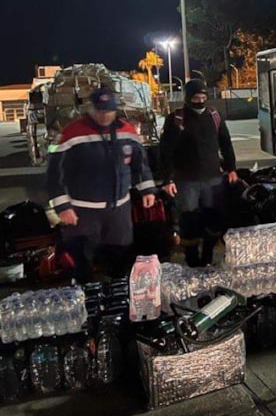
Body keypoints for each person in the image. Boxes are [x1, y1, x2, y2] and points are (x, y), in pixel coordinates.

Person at [46, 86, 157, 282]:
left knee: (119, 258)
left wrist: (147, 189)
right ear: (91, 109)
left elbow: (140, 164)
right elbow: (55, 173)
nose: (105, 116)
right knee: (83, 262)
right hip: (83, 212)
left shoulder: (127, 131)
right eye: (100, 111)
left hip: (118, 210)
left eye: (109, 111)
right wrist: (63, 207)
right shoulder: (72, 133)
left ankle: (117, 291)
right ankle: (85, 293)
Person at [160, 79, 238, 267]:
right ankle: (192, 259)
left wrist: (231, 168)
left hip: (213, 179)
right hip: (186, 181)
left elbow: (226, 144)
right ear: (187, 98)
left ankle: (208, 255)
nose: (200, 101)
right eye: (196, 98)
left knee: (213, 219)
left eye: (203, 97)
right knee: (189, 220)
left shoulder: (214, 116)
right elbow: (165, 152)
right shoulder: (176, 119)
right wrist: (167, 179)